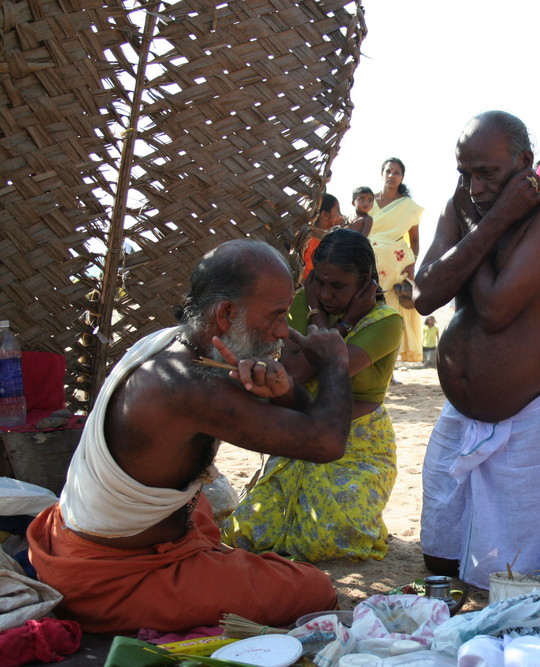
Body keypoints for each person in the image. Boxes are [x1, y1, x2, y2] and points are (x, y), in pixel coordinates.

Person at [27, 240, 353, 634]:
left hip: (110, 540)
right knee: (313, 589)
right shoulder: (190, 387)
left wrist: (283, 389)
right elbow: (326, 443)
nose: (284, 330)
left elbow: (301, 417)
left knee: (199, 505)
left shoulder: (178, 343)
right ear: (227, 313)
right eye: (277, 314)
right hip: (110, 577)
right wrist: (335, 362)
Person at [413, 110, 540, 589]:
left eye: (487, 173)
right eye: (464, 173)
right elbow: (425, 293)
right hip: (461, 413)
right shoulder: (463, 208)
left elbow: (496, 309)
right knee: (439, 564)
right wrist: (486, 223)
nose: (474, 187)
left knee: (509, 578)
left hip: (527, 413)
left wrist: (485, 225)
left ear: (524, 162)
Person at [223, 230, 402, 562]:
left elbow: (329, 367)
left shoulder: (386, 321)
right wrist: (323, 312)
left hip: (357, 444)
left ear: (365, 282)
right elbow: (294, 374)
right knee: (247, 533)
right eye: (319, 282)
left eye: (338, 286)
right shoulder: (305, 300)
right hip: (302, 430)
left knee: (328, 542)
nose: (326, 293)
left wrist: (339, 321)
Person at [370, 158, 424, 363]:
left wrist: (412, 263)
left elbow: (415, 240)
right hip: (368, 266)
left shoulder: (409, 207)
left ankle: (387, 365)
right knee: (368, 307)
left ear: (402, 177)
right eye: (388, 171)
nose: (392, 175)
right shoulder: (367, 202)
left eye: (397, 172)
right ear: (381, 173)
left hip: (396, 268)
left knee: (391, 312)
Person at [302, 194, 343, 278]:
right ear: (325, 215)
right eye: (337, 212)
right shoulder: (307, 239)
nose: (340, 216)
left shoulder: (326, 239)